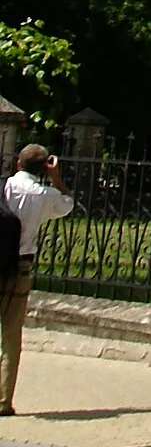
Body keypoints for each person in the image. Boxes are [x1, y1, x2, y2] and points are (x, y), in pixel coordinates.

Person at [1, 144, 74, 415]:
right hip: (20, 266)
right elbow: (68, 204)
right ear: (45, 167)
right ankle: (3, 400)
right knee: (10, 334)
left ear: (17, 164)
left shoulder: (4, 187)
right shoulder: (44, 194)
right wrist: (55, 177)